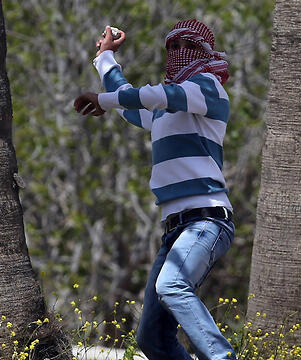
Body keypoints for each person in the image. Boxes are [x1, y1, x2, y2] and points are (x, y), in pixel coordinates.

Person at [74, 20, 236, 360]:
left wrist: (105, 99)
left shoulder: (207, 88)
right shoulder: (166, 107)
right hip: (174, 229)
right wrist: (105, 59)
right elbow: (135, 107)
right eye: (172, 47)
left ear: (205, 52)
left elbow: (156, 95)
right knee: (152, 340)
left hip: (206, 220)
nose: (178, 54)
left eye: (187, 47)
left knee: (172, 286)